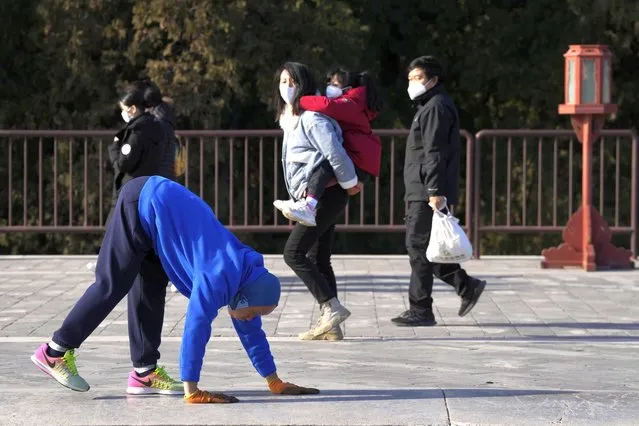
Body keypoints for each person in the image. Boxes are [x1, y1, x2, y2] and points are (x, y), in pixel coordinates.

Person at [31, 175, 320, 403]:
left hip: (159, 225)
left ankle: (144, 373)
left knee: (150, 292)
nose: (250, 319)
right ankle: (54, 352)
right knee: (111, 284)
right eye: (253, 313)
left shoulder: (246, 283)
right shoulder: (219, 275)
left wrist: (274, 381)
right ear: (246, 298)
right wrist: (191, 389)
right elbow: (196, 329)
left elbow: (253, 334)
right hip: (142, 200)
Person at [392, 55, 486, 327]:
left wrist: (434, 189)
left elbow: (434, 152)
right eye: (410, 78)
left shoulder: (435, 107)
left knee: (418, 247)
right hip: (421, 188)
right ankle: (466, 286)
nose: (412, 83)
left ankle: (421, 309)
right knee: (424, 248)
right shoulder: (431, 105)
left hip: (427, 190)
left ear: (433, 79)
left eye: (418, 78)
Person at [274, 61, 360, 341]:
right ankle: (331, 326)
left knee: (293, 253)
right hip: (318, 195)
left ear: (305, 86)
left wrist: (350, 184)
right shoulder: (291, 119)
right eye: (283, 81)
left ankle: (331, 308)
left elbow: (334, 154)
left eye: (293, 82)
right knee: (318, 258)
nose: (286, 87)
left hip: (327, 195)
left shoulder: (312, 118)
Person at [274, 67, 382, 226]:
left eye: (337, 84)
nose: (331, 87)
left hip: (359, 158)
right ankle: (305, 204)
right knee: (318, 246)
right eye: (329, 82)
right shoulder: (348, 103)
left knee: (324, 163)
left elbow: (327, 106)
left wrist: (301, 100)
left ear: (349, 88)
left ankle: (308, 206)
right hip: (354, 156)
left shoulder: (350, 102)